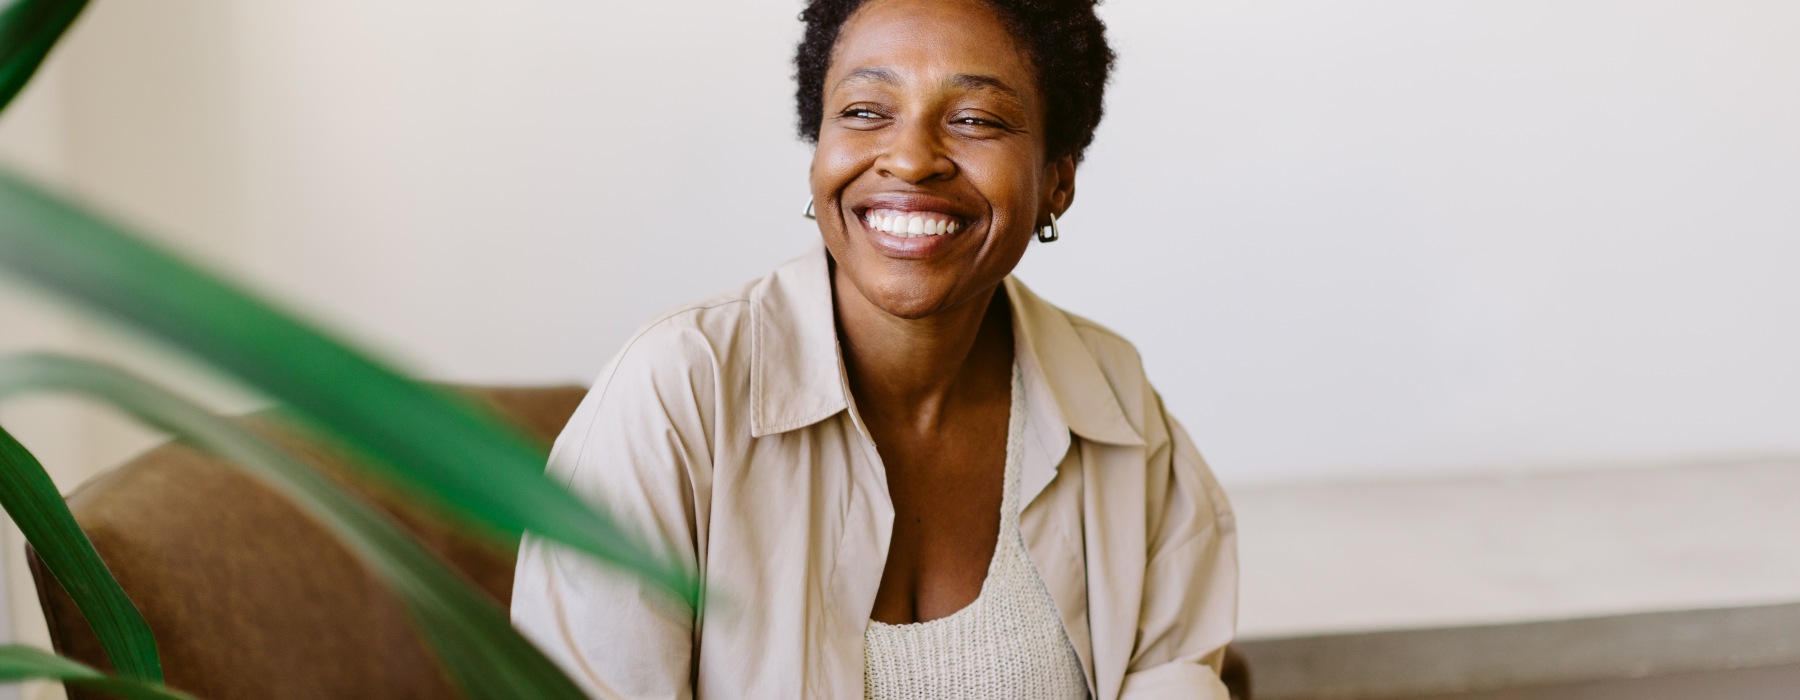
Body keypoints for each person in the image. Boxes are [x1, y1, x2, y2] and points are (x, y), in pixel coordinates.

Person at [511, 0, 1238, 697]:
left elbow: (1172, 674)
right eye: (864, 112)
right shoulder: (674, 394)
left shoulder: (1114, 399)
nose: (911, 159)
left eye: (975, 118)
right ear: (818, 151)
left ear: (1058, 180)